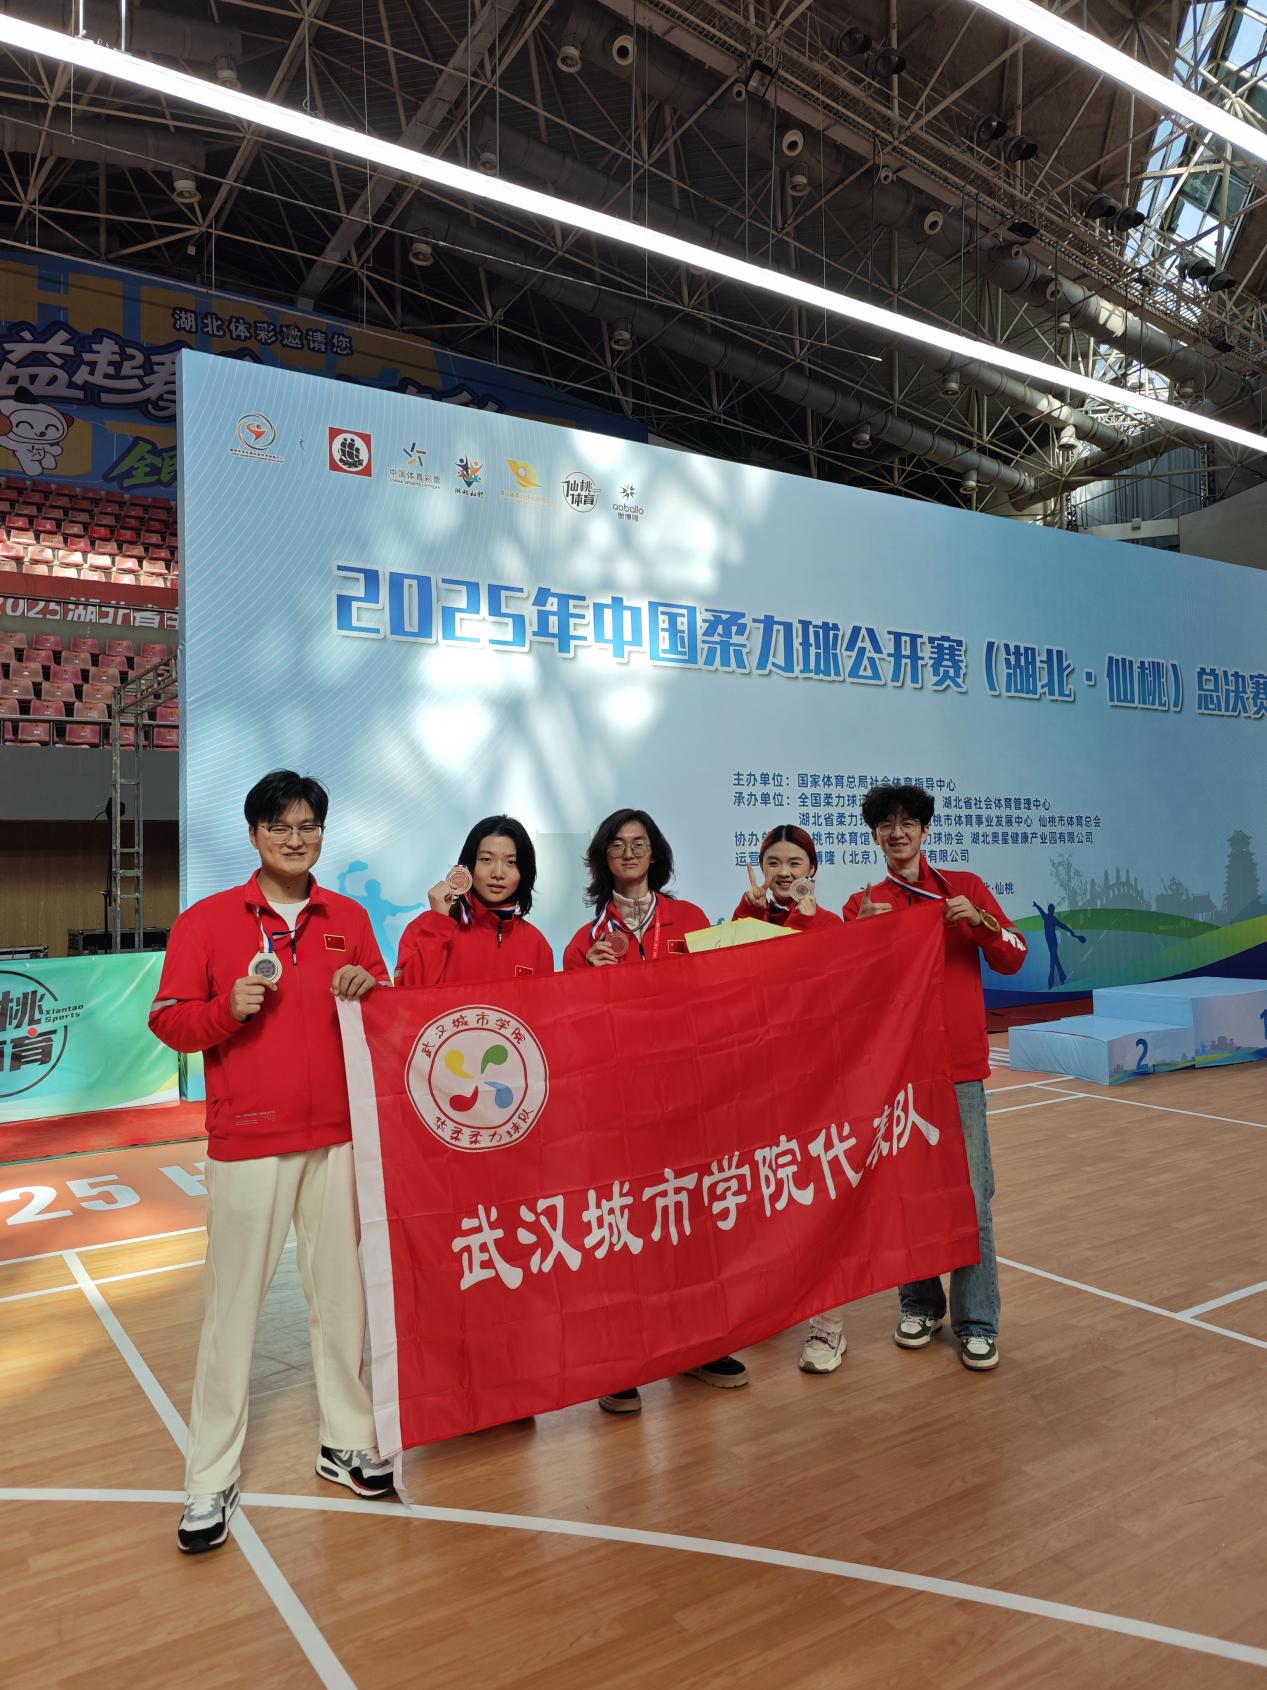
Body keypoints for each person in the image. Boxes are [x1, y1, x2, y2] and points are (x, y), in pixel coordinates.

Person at [149, 770, 395, 1555]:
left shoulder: (349, 918)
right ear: (254, 834)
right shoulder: (207, 921)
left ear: (322, 831)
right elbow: (169, 1021)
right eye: (280, 827)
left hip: (339, 1137)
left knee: (344, 1303)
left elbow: (386, 1008)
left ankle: (345, 1442)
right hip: (250, 1139)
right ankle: (209, 1477)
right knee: (232, 1315)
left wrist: (370, 987)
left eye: (308, 826)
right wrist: (226, 1011)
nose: (296, 839)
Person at [796, 783, 1028, 1378]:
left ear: (925, 830)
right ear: (875, 836)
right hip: (897, 1074)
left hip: (957, 1068)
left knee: (972, 1196)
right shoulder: (864, 902)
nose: (897, 833)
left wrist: (979, 922)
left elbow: (1014, 953)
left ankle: (978, 1322)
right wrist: (862, 939)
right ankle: (920, 1305)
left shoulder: (965, 887)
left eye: (907, 823)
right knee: (908, 1194)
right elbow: (843, 988)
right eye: (886, 825)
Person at [563, 808, 747, 1412]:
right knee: (625, 1230)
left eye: (639, 843)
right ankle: (622, 1362)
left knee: (693, 1223)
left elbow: (720, 996)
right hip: (619, 1107)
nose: (629, 852)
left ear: (655, 853)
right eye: (617, 844)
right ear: (603, 857)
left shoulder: (690, 919)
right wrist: (587, 981)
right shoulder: (583, 941)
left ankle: (699, 1346)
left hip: (689, 1097)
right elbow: (571, 1029)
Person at [394, 815, 554, 986]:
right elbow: (408, 995)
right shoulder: (425, 928)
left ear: (525, 871)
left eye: (511, 862)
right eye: (486, 860)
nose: (498, 873)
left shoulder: (536, 944)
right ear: (468, 866)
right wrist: (438, 923)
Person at [732, 824, 843, 933]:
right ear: (762, 867)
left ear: (811, 868)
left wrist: (801, 922)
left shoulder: (829, 923)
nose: (783, 873)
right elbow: (733, 943)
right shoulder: (751, 915)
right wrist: (750, 912)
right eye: (774, 863)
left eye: (794, 863)